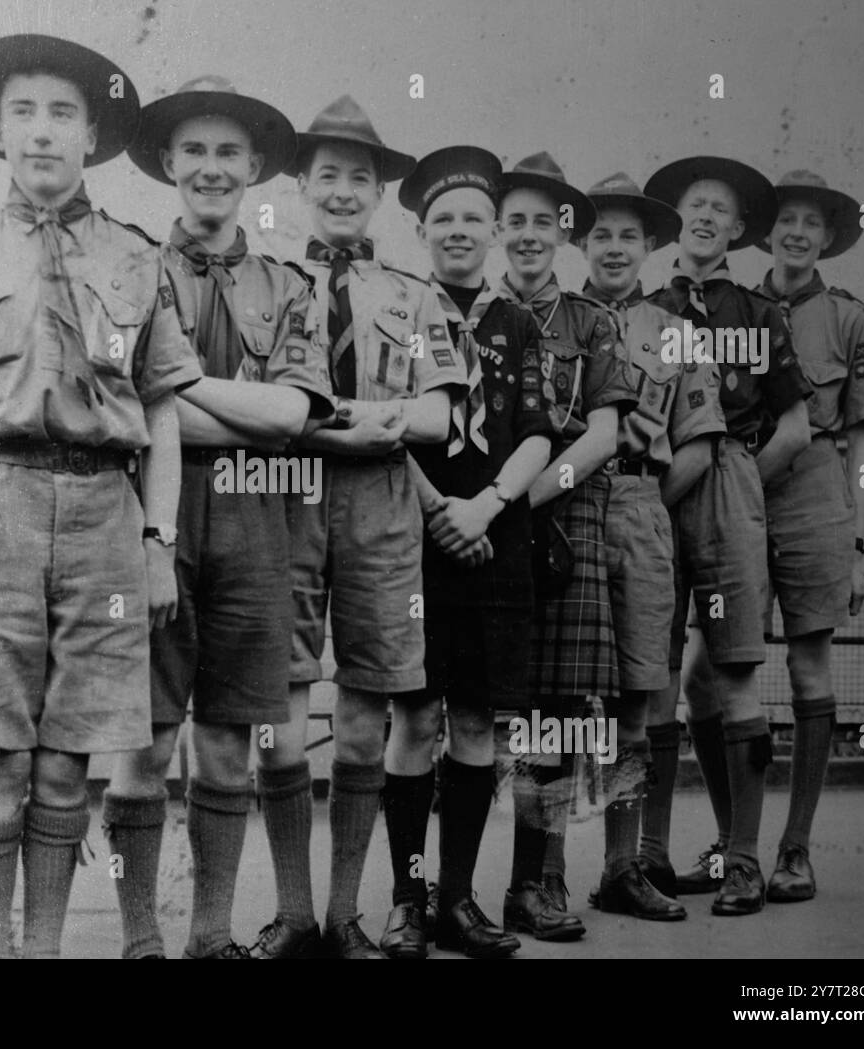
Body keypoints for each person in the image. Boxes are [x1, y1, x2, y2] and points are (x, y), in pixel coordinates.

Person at [0, 35, 202, 958]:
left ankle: (51, 949)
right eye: (23, 111)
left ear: (92, 133)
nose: (42, 132)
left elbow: (163, 412)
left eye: (63, 113)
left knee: (68, 768)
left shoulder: (139, 258)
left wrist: (156, 543)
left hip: (104, 511)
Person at [104, 76, 333, 960]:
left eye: (227, 152)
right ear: (168, 163)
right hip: (148, 514)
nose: (210, 168)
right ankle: (140, 939)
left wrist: (180, 392)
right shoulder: (126, 267)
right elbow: (127, 411)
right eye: (193, 151)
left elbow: (293, 416)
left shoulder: (288, 283)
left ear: (255, 168)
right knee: (147, 736)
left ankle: (208, 936)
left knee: (231, 741)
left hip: (255, 515)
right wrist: (221, 403)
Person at [251, 96, 466, 959]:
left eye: (361, 178)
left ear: (380, 192)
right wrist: (365, 414)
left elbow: (437, 417)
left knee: (369, 713)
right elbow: (260, 406)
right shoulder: (264, 281)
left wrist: (348, 419)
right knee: (278, 710)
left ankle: (345, 914)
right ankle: (294, 911)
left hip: (382, 503)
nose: (343, 191)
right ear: (301, 184)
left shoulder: (414, 299)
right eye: (328, 174)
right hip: (283, 497)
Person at [376, 145, 553, 959]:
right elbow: (383, 422)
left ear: (493, 230)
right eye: (441, 218)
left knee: (479, 722)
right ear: (419, 229)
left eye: (472, 218)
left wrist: (485, 506)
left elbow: (541, 435)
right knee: (413, 718)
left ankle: (458, 899)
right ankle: (406, 899)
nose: (457, 231)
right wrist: (440, 507)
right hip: (414, 535)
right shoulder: (401, 309)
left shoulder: (518, 323)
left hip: (496, 540)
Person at [643, 155, 812, 915]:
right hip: (652, 487)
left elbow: (797, 428)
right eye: (694, 204)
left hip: (729, 484)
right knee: (651, 669)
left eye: (721, 209)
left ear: (741, 229)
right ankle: (647, 859)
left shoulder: (758, 312)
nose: (706, 217)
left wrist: (736, 476)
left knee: (733, 667)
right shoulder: (644, 309)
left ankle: (742, 858)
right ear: (675, 215)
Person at [492, 153, 638, 942]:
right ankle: (453, 889)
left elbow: (608, 434)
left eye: (542, 223)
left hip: (560, 517)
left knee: (552, 711)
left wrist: (521, 499)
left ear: (563, 232)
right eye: (512, 221)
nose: (527, 236)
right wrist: (489, 507)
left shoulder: (591, 321)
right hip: (483, 521)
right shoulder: (473, 312)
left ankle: (537, 883)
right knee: (489, 706)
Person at [577, 173, 726, 920]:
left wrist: (638, 506)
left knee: (639, 696)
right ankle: (535, 876)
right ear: (580, 240)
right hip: (565, 506)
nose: (613, 247)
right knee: (561, 699)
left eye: (628, 236)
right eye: (599, 233)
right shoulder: (556, 316)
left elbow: (698, 448)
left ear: (650, 246)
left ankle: (621, 867)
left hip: (641, 504)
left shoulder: (673, 330)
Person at [747, 170, 864, 900]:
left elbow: (863, 445)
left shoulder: (849, 317)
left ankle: (794, 848)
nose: (797, 232)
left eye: (811, 223)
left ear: (827, 236)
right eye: (785, 220)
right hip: (740, 488)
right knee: (715, 670)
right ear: (766, 230)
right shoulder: (734, 309)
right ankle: (735, 844)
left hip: (818, 490)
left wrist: (860, 544)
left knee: (809, 670)